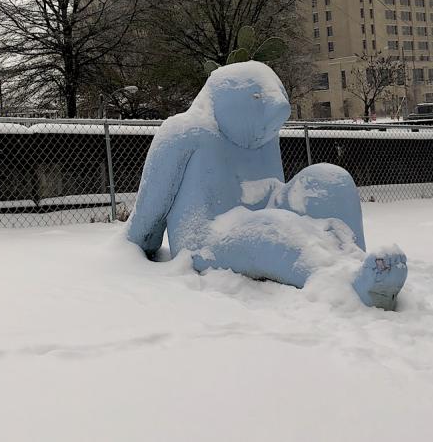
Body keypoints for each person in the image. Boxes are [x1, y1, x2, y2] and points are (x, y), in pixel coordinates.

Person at [126, 61, 407, 310]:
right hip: (208, 238)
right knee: (268, 228)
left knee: (329, 180)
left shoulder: (264, 135)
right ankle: (341, 283)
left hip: (266, 217)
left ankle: (356, 262)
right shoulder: (183, 132)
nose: (269, 131)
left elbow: (275, 188)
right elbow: (151, 206)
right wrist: (138, 248)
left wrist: (290, 207)